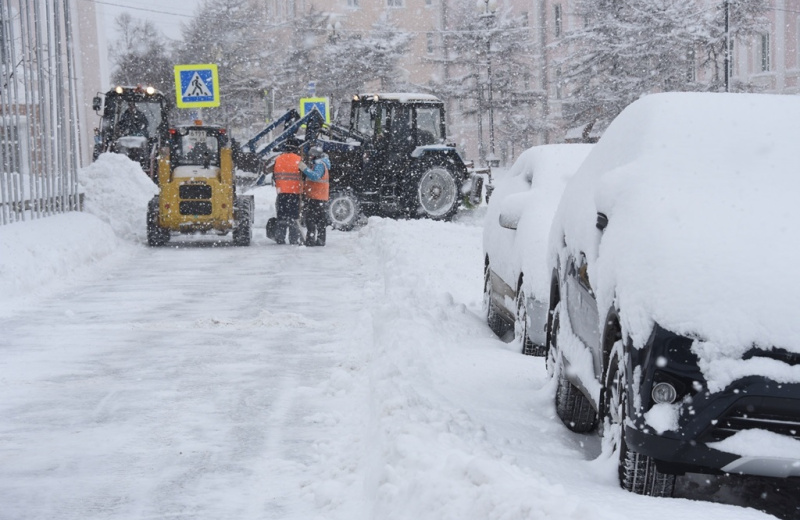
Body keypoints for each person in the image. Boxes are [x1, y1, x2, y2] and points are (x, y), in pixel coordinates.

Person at [298, 145, 330, 247]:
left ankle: (311, 240)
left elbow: (315, 176)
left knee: (311, 220)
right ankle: (319, 240)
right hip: (318, 197)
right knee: (320, 220)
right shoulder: (320, 163)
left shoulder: (320, 165)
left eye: (311, 155)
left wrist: (304, 169)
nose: (310, 157)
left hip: (316, 197)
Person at [272, 144, 304, 245]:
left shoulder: (278, 159)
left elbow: (274, 175)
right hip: (294, 193)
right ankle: (293, 238)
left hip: (281, 192)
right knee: (293, 216)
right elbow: (304, 174)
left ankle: (280, 238)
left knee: (281, 216)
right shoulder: (299, 159)